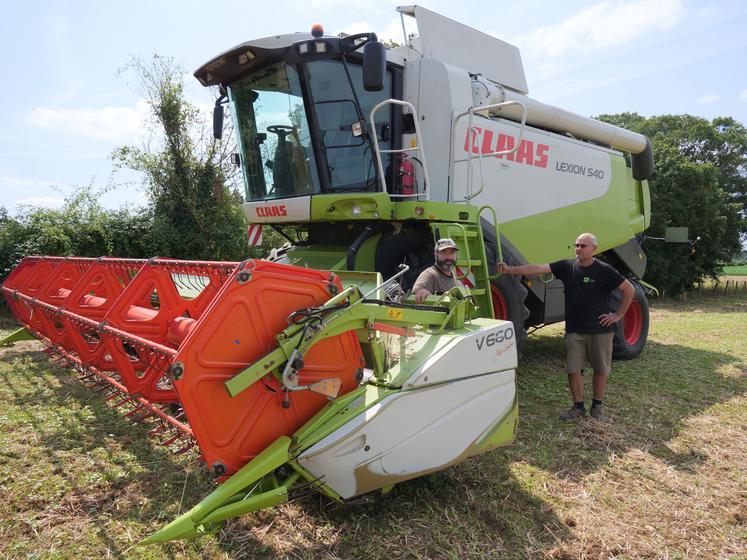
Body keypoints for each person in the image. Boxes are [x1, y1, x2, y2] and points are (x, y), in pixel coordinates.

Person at [498, 233, 634, 422]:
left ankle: (597, 407)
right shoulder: (566, 267)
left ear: (594, 248)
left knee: (601, 369)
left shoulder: (604, 270)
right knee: (573, 369)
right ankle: (578, 407)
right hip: (575, 330)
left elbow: (629, 289)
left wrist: (618, 315)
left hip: (600, 330)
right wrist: (509, 270)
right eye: (577, 245)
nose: (579, 249)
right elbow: (538, 268)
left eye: (583, 246)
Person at [412, 238, 460, 303]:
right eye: (444, 253)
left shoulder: (452, 272)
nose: (449, 257)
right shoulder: (430, 274)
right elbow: (417, 290)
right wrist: (422, 292)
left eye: (452, 253)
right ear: (435, 255)